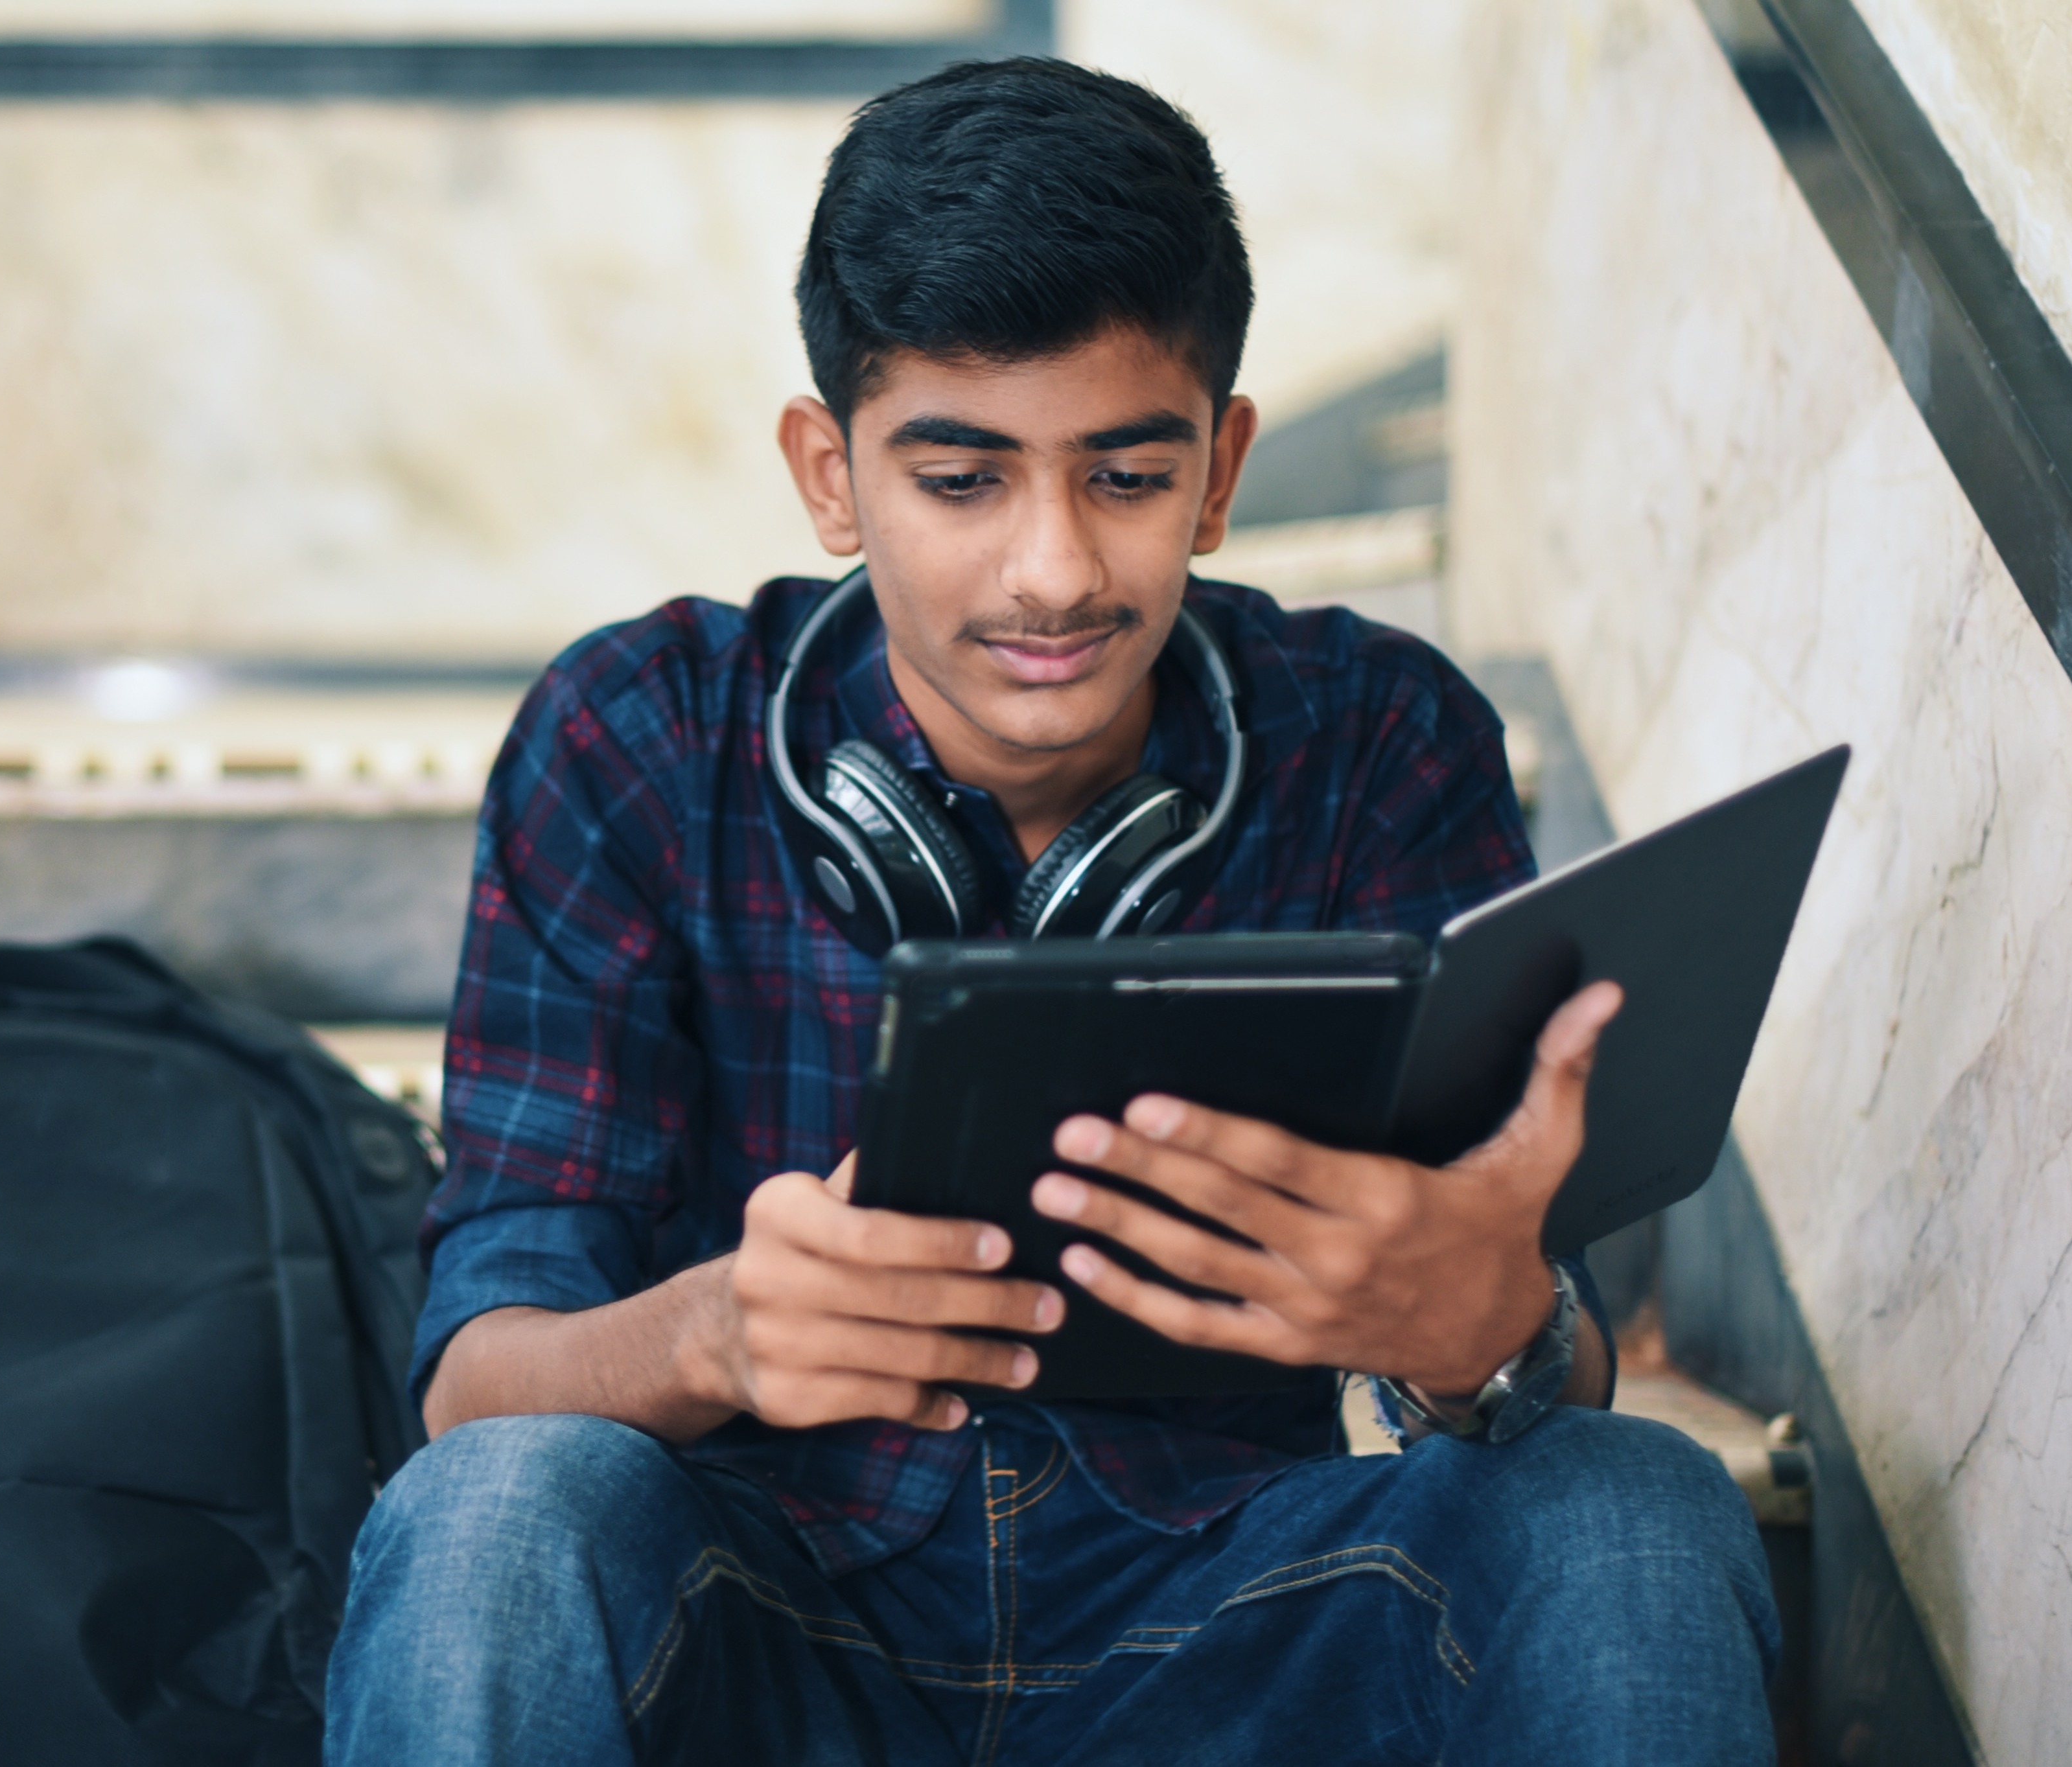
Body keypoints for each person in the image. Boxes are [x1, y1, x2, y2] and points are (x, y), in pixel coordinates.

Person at [320, 56, 1778, 1767]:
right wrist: (717, 1329)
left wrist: (1492, 1336)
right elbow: (476, 1390)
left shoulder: (1384, 739)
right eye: (960, 482)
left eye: (1125, 477)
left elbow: (1550, 1353)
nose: (1054, 573)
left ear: (1222, 469)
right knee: (499, 1518)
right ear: (827, 470)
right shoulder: (636, 738)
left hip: (1231, 1633)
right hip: (770, 1632)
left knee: (1631, 1504)